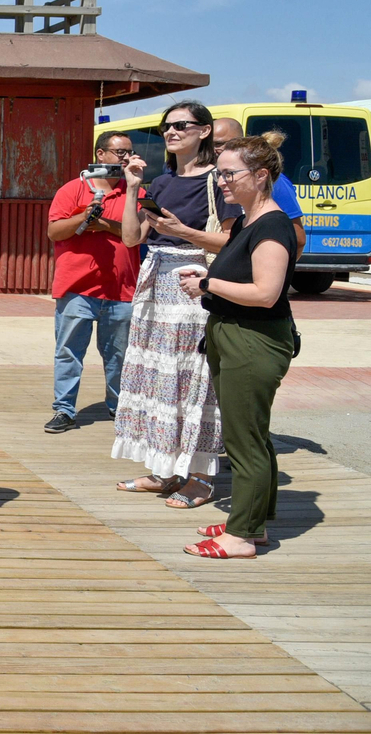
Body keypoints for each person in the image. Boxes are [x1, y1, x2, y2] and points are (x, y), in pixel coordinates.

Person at [114, 101, 240, 509]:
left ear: (204, 131)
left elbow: (233, 241)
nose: (170, 132)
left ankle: (200, 477)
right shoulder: (164, 182)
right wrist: (134, 187)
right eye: (165, 126)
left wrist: (182, 231)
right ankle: (164, 470)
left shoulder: (219, 181)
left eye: (181, 125)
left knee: (192, 379)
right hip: (154, 285)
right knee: (157, 379)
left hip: (193, 286)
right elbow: (132, 239)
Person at [177, 132, 297, 559]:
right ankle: (253, 521)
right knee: (252, 435)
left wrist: (207, 283)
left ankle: (241, 535)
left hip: (254, 339)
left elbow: (266, 292)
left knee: (243, 440)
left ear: (261, 176)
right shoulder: (249, 221)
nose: (221, 182)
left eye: (229, 174)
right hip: (235, 335)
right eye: (220, 173)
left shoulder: (272, 225)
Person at [43, 131, 142, 433]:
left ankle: (119, 407)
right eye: (118, 152)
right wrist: (82, 218)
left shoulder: (134, 192)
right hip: (77, 287)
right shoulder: (74, 189)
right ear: (101, 155)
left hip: (121, 288)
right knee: (69, 351)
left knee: (118, 354)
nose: (124, 158)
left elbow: (135, 232)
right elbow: (55, 232)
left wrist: (103, 224)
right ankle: (64, 410)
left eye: (128, 152)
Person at [212, 118, 305, 254]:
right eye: (209, 144)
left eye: (219, 144)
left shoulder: (275, 182)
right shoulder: (241, 222)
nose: (213, 150)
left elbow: (299, 239)